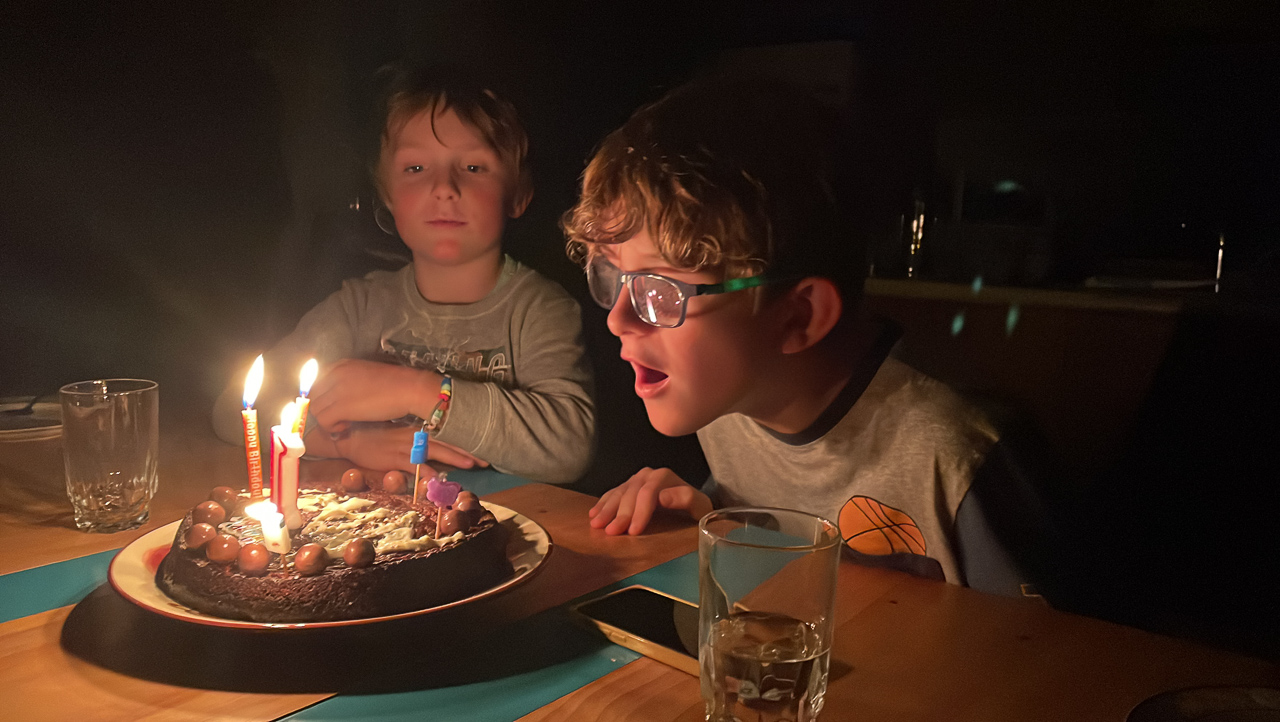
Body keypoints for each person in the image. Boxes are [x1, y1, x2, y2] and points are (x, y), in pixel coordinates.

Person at [563, 76, 1061, 597]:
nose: (618, 318)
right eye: (614, 275)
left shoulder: (954, 460)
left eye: (659, 289)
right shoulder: (730, 411)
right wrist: (708, 517)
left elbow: (1044, 642)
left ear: (798, 317)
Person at [213, 65, 594, 484]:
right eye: (416, 169)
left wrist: (414, 390)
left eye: (473, 167)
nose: (444, 187)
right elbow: (235, 410)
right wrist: (341, 443)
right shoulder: (359, 309)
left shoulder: (539, 311)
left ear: (518, 193)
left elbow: (569, 447)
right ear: (387, 196)